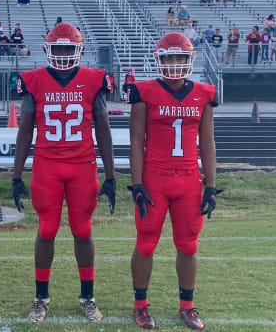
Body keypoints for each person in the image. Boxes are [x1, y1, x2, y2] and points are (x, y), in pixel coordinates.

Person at [12, 23, 115, 323]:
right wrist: (16, 176)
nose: (63, 54)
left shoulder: (94, 80)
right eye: (57, 48)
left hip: (82, 165)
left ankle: (87, 297)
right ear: (48, 49)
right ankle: (41, 298)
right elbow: (24, 132)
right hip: (48, 165)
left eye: (68, 48)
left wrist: (111, 175)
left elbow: (104, 132)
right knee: (46, 229)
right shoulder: (34, 81)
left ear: (79, 50)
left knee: (82, 229)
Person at [127, 32, 218, 331]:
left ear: (190, 59)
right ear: (159, 60)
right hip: (155, 178)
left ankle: (187, 306)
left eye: (180, 57)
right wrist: (138, 184)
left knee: (189, 245)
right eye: (169, 58)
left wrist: (211, 185)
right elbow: (136, 142)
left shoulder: (204, 93)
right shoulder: (144, 91)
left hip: (190, 179)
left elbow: (208, 144)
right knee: (146, 243)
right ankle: (141, 306)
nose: (175, 63)